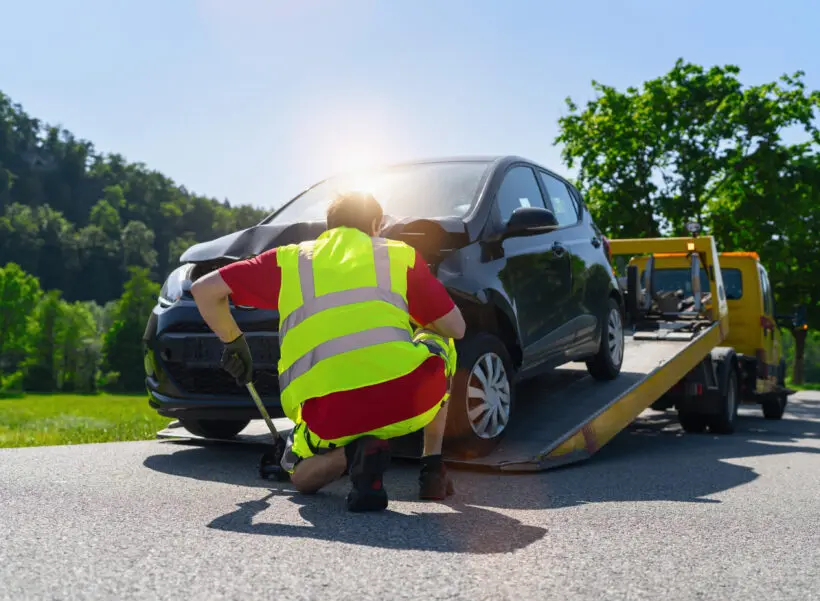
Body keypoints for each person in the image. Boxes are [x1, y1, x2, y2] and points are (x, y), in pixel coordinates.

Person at [190, 190, 466, 512]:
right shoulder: (398, 255)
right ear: (376, 224)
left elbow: (204, 289)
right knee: (439, 338)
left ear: (329, 224)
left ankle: (355, 454)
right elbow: (457, 328)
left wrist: (234, 342)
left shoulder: (289, 260)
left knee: (301, 478)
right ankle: (431, 469)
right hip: (405, 400)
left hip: (327, 417)